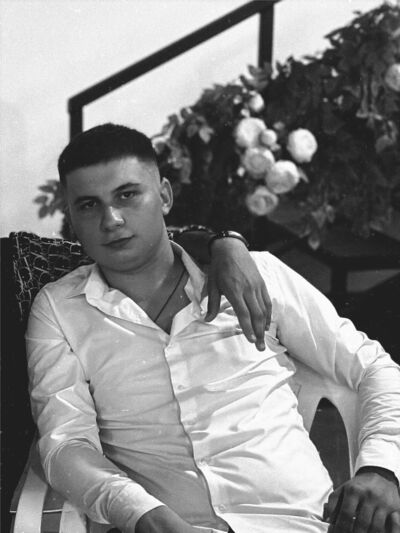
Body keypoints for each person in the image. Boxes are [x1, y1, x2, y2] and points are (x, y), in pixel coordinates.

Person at [26, 124, 400, 533]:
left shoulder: (257, 274)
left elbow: (373, 367)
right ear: (72, 218)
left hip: (302, 523)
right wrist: (141, 513)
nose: (111, 220)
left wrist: (382, 468)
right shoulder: (60, 309)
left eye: (127, 195)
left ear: (164, 196)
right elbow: (66, 442)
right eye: (88, 205)